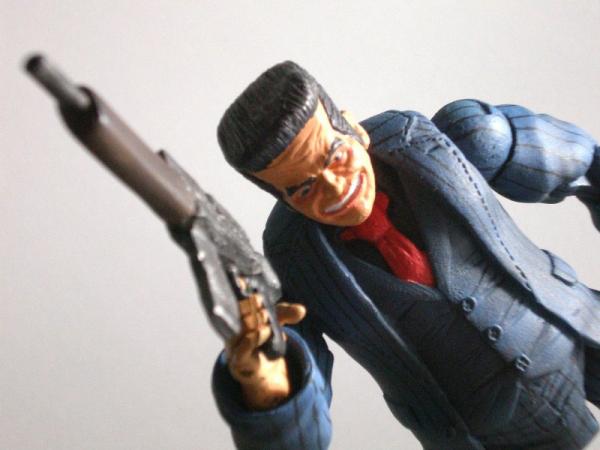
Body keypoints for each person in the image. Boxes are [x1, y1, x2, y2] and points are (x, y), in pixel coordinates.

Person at [212, 61, 600, 449]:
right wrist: (269, 385)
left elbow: (579, 160)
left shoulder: (434, 142)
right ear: (285, 200)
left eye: (335, 156)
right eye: (304, 189)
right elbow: (303, 427)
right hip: (484, 427)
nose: (335, 188)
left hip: (574, 331)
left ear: (354, 128)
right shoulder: (295, 258)